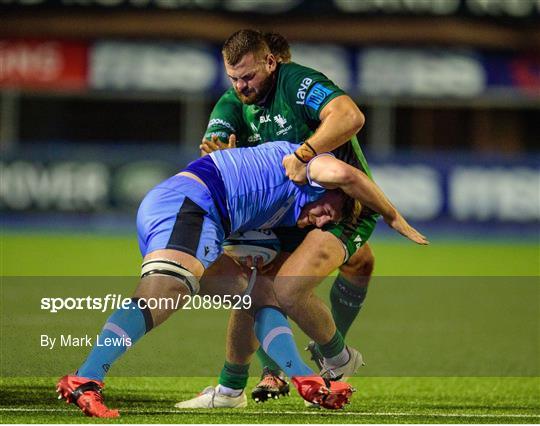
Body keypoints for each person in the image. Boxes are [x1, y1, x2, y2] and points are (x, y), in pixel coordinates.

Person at [56, 141, 427, 417]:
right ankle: (86, 378)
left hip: (201, 213)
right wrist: (394, 217)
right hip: (191, 205)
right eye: (333, 209)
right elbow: (346, 173)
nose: (324, 220)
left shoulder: (295, 206)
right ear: (333, 191)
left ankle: (303, 377)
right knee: (167, 289)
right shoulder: (316, 166)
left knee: (258, 293)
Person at [186, 29, 378, 405]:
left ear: (275, 65)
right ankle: (279, 371)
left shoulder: (297, 88)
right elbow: (215, 147)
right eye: (236, 78)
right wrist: (219, 158)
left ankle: (316, 360)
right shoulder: (234, 102)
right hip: (281, 210)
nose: (243, 86)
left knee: (340, 268)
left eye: (250, 76)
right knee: (265, 284)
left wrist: (304, 154)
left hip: (331, 206)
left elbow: (348, 118)